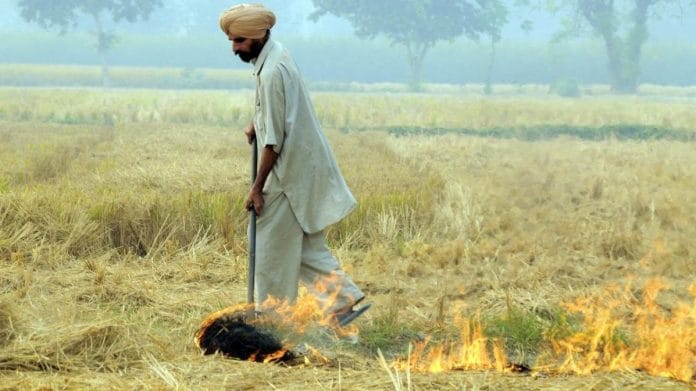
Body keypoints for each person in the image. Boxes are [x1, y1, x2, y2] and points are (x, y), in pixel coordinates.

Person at [219, 3, 369, 326]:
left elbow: (274, 142)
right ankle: (342, 304)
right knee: (304, 249)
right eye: (232, 41)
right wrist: (255, 123)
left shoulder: (272, 71)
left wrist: (256, 188)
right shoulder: (275, 55)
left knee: (269, 249)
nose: (234, 49)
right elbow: (276, 114)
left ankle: (274, 323)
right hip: (303, 167)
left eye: (240, 41)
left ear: (258, 36)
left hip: (289, 176)